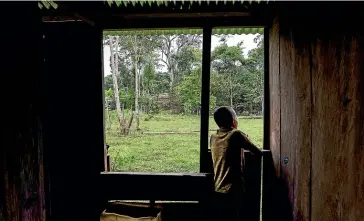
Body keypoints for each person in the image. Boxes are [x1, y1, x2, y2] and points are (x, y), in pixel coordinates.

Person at [210, 106, 262, 221]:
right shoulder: (236, 134)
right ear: (233, 120)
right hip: (233, 189)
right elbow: (256, 151)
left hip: (218, 187)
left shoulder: (213, 137)